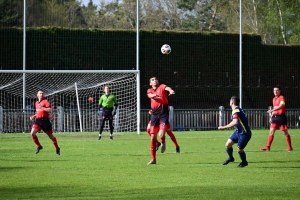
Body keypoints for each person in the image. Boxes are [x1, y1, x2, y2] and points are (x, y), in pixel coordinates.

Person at [146, 77, 175, 165]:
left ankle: (163, 142)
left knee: (161, 134)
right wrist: (154, 95)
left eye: (156, 79)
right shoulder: (150, 90)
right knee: (152, 137)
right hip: (154, 115)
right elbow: (149, 95)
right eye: (153, 80)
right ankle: (153, 159)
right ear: (150, 83)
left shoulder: (161, 87)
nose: (155, 80)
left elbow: (167, 88)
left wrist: (170, 90)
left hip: (163, 114)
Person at [218, 96, 251, 168]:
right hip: (238, 132)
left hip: (244, 133)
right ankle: (231, 158)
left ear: (232, 102)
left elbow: (235, 122)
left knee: (239, 150)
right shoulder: (238, 109)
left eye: (230, 101)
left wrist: (223, 127)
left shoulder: (236, 111)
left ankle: (244, 162)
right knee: (228, 144)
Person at [260, 85, 293, 151]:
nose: (275, 91)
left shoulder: (282, 97)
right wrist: (271, 117)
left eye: (277, 90)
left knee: (285, 132)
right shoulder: (274, 99)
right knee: (271, 132)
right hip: (275, 118)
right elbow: (275, 108)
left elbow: (281, 105)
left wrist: (272, 110)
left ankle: (290, 147)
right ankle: (268, 147)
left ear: (280, 91)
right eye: (274, 90)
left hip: (281, 117)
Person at [30, 90, 60, 155]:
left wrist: (42, 107)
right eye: (40, 93)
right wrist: (34, 116)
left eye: (42, 93)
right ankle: (39, 146)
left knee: (51, 136)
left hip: (45, 121)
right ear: (37, 94)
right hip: (38, 120)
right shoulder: (36, 103)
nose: (41, 94)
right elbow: (38, 112)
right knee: (32, 133)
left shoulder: (45, 101)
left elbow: (49, 110)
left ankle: (57, 148)